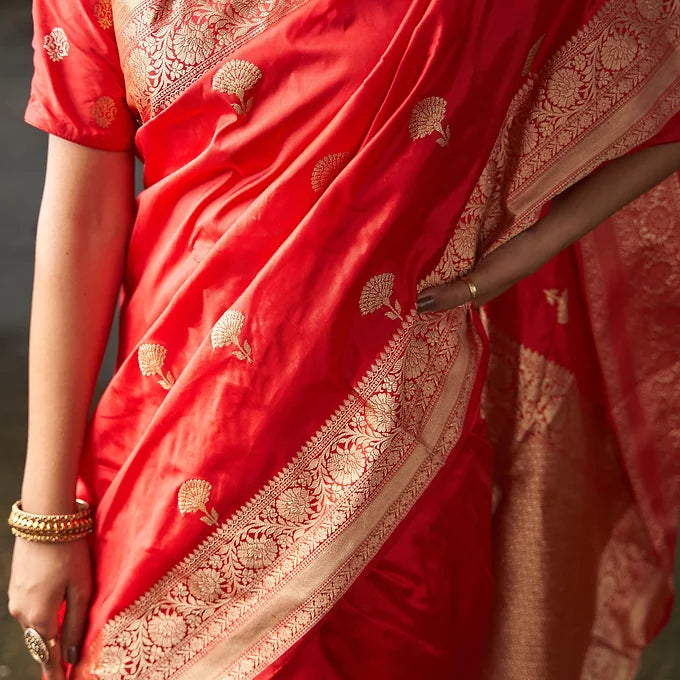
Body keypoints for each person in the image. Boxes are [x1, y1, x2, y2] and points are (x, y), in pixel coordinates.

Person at [7, 0, 680, 678]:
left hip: (392, 458)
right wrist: (46, 516)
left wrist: (521, 251)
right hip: (167, 440)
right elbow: (85, 219)